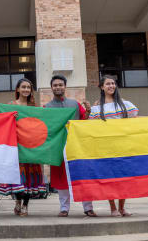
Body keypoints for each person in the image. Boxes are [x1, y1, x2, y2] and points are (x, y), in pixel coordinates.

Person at [44, 75, 96, 217]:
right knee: (61, 179)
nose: (58, 87)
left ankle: (88, 207)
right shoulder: (47, 107)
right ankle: (64, 208)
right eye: (55, 85)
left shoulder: (74, 104)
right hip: (58, 148)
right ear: (52, 88)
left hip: (77, 146)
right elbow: (44, 127)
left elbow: (84, 121)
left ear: (65, 87)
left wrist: (89, 111)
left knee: (82, 175)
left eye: (60, 84)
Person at [88, 74, 139, 217]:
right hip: (106, 148)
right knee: (109, 178)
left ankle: (122, 207)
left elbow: (136, 121)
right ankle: (112, 208)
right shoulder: (97, 107)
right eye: (108, 84)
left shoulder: (125, 104)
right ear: (101, 87)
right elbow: (91, 127)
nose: (111, 86)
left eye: (113, 83)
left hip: (123, 146)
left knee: (124, 177)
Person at [0, 78, 45, 217]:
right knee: (19, 177)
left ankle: (25, 205)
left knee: (29, 177)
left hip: (30, 147)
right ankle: (18, 201)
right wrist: (9, 116)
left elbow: (40, 125)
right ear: (17, 89)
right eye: (23, 87)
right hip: (16, 147)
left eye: (28, 87)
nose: (26, 90)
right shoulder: (11, 105)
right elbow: (2, 121)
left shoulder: (34, 107)